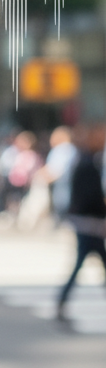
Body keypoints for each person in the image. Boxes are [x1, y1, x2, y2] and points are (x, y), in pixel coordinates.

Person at [56, 126, 106, 322]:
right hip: (88, 224)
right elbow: (89, 197)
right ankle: (61, 301)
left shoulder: (86, 161)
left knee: (84, 264)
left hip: (88, 223)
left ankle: (61, 301)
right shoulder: (87, 164)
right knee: (80, 265)